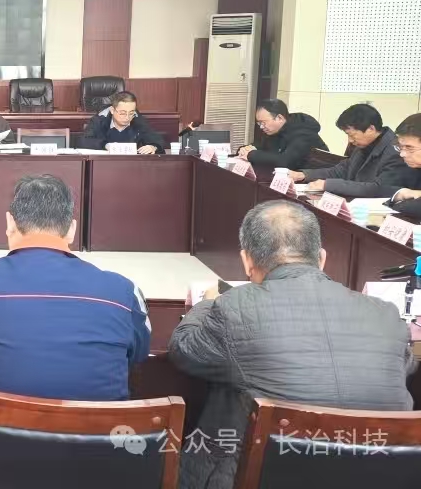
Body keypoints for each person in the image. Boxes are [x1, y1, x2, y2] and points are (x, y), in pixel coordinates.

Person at [169, 200, 414, 489]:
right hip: (378, 476)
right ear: (321, 258)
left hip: (261, 476)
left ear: (247, 261)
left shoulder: (233, 308)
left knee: (231, 389)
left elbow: (184, 349)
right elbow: (405, 364)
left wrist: (208, 302)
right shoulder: (385, 314)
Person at [0, 174, 151, 489]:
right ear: (72, 229)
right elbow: (139, 352)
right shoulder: (121, 292)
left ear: (10, 223)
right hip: (99, 471)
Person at [287, 104, 412, 197]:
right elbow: (341, 170)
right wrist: (303, 175)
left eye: (352, 135)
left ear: (370, 129)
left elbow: (379, 188)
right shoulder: (363, 145)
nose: (350, 140)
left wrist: (328, 184)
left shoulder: (397, 152)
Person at [237, 99, 327, 169]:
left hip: (314, 180)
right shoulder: (274, 130)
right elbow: (258, 146)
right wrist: (244, 149)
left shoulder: (303, 133)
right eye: (259, 123)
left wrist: (251, 154)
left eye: (263, 122)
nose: (261, 127)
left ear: (279, 118)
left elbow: (285, 161)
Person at [81, 91, 165, 154]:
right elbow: (83, 141)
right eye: (122, 113)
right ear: (112, 110)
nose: (127, 117)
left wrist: (153, 147)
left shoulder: (138, 120)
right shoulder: (99, 120)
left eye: (131, 113)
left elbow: (157, 140)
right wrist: (105, 145)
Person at [377, 113, 421, 219]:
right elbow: (382, 187)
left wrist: (396, 206)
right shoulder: (411, 167)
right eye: (400, 147)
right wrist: (400, 194)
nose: (402, 154)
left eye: (409, 148)